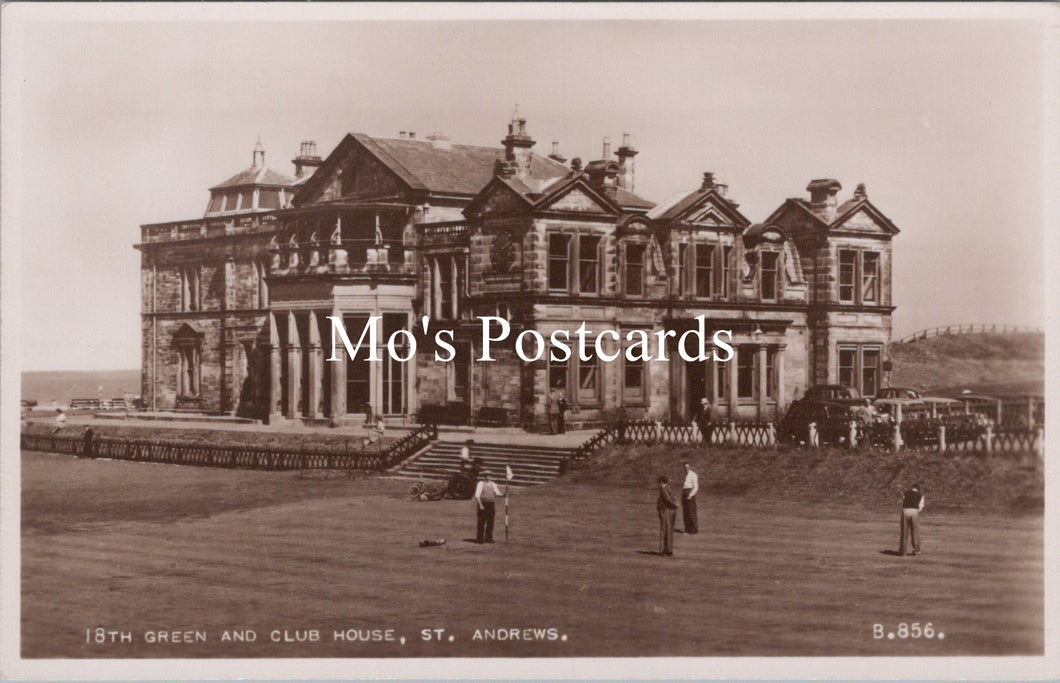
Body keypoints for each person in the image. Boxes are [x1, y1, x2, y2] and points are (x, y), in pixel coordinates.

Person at [474, 470, 505, 544]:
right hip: (483, 504)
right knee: (481, 522)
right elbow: (477, 495)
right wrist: (480, 505)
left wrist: (504, 494)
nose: (488, 477)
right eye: (487, 475)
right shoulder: (480, 483)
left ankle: (488, 538)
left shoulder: (493, 484)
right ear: (484, 476)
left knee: (491, 522)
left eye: (490, 475)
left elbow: (497, 493)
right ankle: (480, 538)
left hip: (491, 505)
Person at [898, 483, 925, 556]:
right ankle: (916, 550)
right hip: (914, 511)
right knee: (915, 531)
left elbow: (903, 502)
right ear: (918, 489)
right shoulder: (920, 495)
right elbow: (921, 506)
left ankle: (902, 551)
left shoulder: (906, 493)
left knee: (904, 531)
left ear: (912, 488)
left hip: (905, 511)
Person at [656, 475, 678, 556]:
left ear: (661, 482)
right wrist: (675, 504)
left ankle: (666, 550)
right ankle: (669, 550)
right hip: (672, 511)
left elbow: (667, 500)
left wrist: (674, 504)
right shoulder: (669, 488)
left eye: (659, 483)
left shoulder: (663, 489)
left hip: (666, 511)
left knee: (665, 530)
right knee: (670, 530)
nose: (658, 485)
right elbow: (673, 499)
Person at [681, 462, 699, 534]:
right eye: (685, 467)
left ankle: (693, 530)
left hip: (690, 493)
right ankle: (687, 529)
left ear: (690, 467)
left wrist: (690, 495)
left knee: (691, 512)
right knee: (685, 513)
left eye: (688, 467)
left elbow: (696, 487)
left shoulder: (693, 475)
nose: (686, 469)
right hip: (684, 493)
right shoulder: (685, 475)